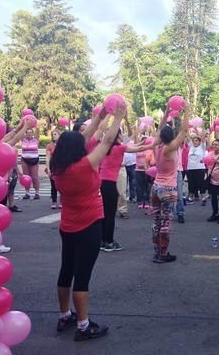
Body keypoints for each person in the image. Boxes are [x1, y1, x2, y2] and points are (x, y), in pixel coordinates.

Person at [51, 103, 125, 341]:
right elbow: (105, 142)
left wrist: (100, 117)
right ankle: (83, 326)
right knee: (82, 278)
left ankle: (65, 316)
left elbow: (80, 140)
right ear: (77, 149)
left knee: (66, 272)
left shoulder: (57, 166)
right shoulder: (84, 166)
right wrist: (118, 118)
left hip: (68, 227)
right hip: (89, 225)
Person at [99, 130, 152, 252]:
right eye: (121, 133)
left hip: (102, 182)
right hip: (109, 183)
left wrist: (143, 143)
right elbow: (138, 149)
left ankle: (103, 241)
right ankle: (109, 243)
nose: (123, 136)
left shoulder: (106, 147)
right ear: (117, 136)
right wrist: (153, 144)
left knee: (104, 214)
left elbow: (136, 146)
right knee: (110, 215)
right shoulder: (119, 148)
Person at [151, 103, 190, 262]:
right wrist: (186, 111)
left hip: (155, 187)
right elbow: (185, 130)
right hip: (167, 189)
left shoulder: (157, 146)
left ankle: (156, 251)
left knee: (156, 220)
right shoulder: (170, 148)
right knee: (166, 222)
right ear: (172, 136)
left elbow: (159, 129)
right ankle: (163, 253)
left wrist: (167, 112)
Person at [186, 132, 208, 204]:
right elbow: (187, 134)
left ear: (199, 141)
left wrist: (202, 127)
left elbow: (203, 137)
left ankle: (203, 198)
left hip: (200, 168)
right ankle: (190, 197)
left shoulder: (202, 147)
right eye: (194, 141)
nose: (195, 142)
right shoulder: (190, 146)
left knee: (201, 183)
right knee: (191, 183)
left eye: (196, 140)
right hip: (190, 168)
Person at [20, 128, 40, 199]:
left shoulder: (36, 139)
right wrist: (24, 125)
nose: (29, 134)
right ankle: (27, 192)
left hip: (34, 159)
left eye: (30, 132)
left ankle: (37, 192)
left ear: (33, 133)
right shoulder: (23, 139)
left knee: (34, 177)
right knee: (26, 177)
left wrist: (34, 124)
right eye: (27, 132)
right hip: (25, 159)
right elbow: (20, 132)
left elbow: (38, 130)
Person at [45, 129, 61, 209]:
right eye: (52, 135)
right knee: (53, 185)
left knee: (62, 184)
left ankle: (62, 201)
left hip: (61, 166)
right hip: (53, 166)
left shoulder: (63, 144)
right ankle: (54, 201)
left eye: (55, 134)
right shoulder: (50, 145)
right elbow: (48, 157)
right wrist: (48, 168)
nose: (53, 136)